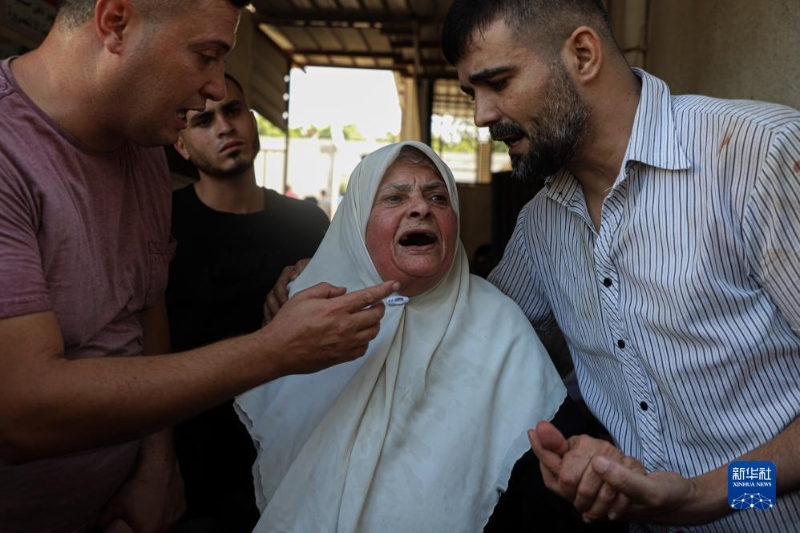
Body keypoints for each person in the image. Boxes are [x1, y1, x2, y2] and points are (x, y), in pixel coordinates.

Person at [0, 1, 396, 532]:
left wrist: (157, 465)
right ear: (115, 23)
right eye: (206, 56)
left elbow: (144, 306)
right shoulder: (11, 155)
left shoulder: (140, 147)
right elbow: (21, 410)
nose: (215, 88)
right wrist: (273, 350)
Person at [441, 1, 800, 531]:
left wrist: (711, 495)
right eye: (474, 93)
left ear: (582, 55)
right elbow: (467, 340)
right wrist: (340, 273)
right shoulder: (541, 226)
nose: (482, 115)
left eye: (499, 81)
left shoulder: (759, 155)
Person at [234, 141, 569, 532]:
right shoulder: (313, 310)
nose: (421, 208)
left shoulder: (500, 327)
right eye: (394, 197)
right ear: (357, 222)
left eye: (438, 197)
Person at [167, 73, 331, 531]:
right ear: (180, 145)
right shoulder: (165, 223)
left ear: (253, 121)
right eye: (204, 120)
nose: (224, 126)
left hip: (292, 452)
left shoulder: (307, 222)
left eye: (234, 111)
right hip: (194, 454)